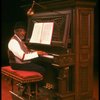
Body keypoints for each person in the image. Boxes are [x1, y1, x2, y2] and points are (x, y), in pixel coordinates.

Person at [8, 21, 48, 95]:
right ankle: (33, 90)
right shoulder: (13, 42)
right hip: (17, 64)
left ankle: (33, 87)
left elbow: (27, 53)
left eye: (23, 31)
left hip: (21, 62)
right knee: (41, 69)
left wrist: (38, 53)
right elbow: (23, 57)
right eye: (20, 31)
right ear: (15, 31)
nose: (23, 33)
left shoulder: (19, 40)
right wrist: (37, 53)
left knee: (42, 62)